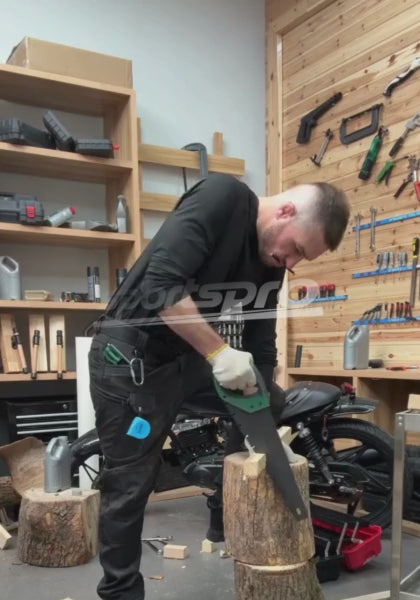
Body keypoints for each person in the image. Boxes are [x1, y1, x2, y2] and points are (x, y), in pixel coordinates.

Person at [88, 173, 350, 600]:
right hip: (130, 357)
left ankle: (223, 511)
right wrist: (219, 353)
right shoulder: (221, 197)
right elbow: (161, 288)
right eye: (298, 249)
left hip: (185, 358)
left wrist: (260, 421)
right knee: (130, 483)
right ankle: (120, 592)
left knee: (269, 399)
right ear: (285, 212)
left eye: (301, 259)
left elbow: (261, 343)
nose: (292, 263)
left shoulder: (272, 263)